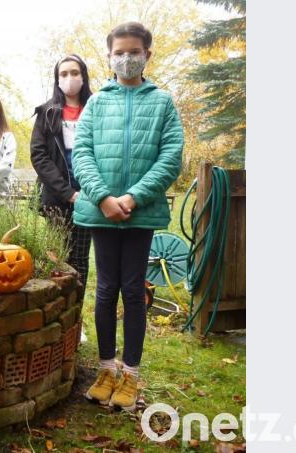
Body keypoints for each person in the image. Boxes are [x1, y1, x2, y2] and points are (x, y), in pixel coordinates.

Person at [76, 22, 184, 411]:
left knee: (134, 291)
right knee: (106, 290)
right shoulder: (96, 103)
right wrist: (104, 198)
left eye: (133, 52)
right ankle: (107, 369)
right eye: (119, 53)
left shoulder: (162, 103)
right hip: (102, 213)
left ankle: (131, 375)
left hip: (140, 214)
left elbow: (171, 156)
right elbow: (82, 153)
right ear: (109, 57)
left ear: (146, 55)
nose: (126, 58)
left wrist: (134, 197)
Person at [30, 54, 94, 290]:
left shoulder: (96, 108)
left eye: (74, 73)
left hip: (89, 197)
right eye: (64, 74)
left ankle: (77, 310)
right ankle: (60, 309)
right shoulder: (47, 112)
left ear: (83, 76)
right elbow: (39, 155)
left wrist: (89, 192)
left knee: (80, 258)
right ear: (57, 79)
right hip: (57, 199)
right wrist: (67, 193)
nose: (69, 78)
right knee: (57, 258)